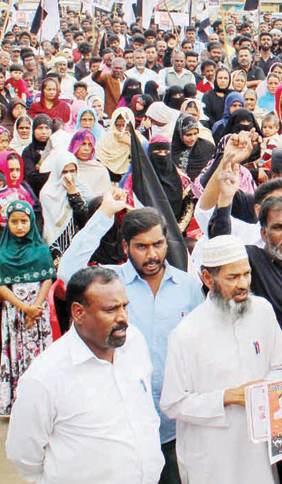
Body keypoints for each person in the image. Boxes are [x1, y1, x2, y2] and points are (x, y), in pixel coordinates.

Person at [59, 193, 205, 484]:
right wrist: (103, 216)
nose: (151, 255)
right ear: (126, 247)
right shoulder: (109, 283)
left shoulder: (188, 286)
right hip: (120, 425)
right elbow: (67, 269)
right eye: (141, 247)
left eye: (158, 245)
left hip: (175, 427)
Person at [6, 266, 164, 482]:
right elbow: (23, 455)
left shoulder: (134, 342)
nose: (123, 317)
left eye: (125, 306)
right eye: (111, 310)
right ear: (79, 312)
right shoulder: (45, 377)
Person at [160, 235, 282, 484]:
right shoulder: (186, 333)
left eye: (246, 274)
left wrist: (265, 386)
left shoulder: (262, 310)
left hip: (257, 449)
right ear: (208, 278)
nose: (243, 284)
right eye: (232, 278)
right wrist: (226, 397)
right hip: (212, 456)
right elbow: (172, 403)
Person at [209, 166, 282, 363]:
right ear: (264, 233)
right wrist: (225, 200)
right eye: (279, 227)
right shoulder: (254, 260)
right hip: (271, 369)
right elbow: (221, 246)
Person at [0, 200, 55, 414]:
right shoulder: (2, 252)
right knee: (15, 351)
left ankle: (41, 403)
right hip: (14, 312)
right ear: (8, 224)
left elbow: (47, 278)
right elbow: (2, 285)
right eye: (14, 222)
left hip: (38, 312)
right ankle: (16, 401)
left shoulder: (40, 249)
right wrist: (24, 307)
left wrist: (36, 306)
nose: (20, 226)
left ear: (31, 222)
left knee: (38, 354)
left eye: (24, 221)